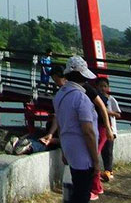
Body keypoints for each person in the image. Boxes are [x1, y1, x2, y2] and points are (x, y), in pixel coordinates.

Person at [41, 57, 102, 203]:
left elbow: (61, 124)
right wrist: (96, 160)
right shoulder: (81, 98)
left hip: (69, 147)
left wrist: (63, 150)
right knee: (82, 194)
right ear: (82, 76)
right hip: (83, 152)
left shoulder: (60, 95)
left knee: (76, 190)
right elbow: (88, 132)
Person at [95, 76, 121, 182]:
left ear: (108, 87)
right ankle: (102, 171)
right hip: (99, 128)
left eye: (104, 86)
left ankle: (109, 171)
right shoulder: (96, 99)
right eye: (100, 86)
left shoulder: (111, 100)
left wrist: (107, 111)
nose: (102, 88)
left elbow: (118, 114)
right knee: (100, 149)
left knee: (108, 151)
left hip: (110, 129)